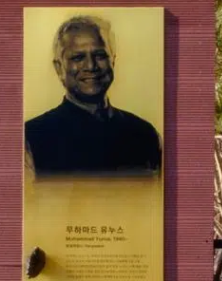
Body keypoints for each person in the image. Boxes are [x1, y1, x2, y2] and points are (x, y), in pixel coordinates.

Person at [24, 15, 162, 178]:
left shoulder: (145, 135)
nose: (91, 66)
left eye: (100, 55)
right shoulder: (30, 138)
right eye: (78, 57)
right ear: (59, 68)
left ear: (113, 61)